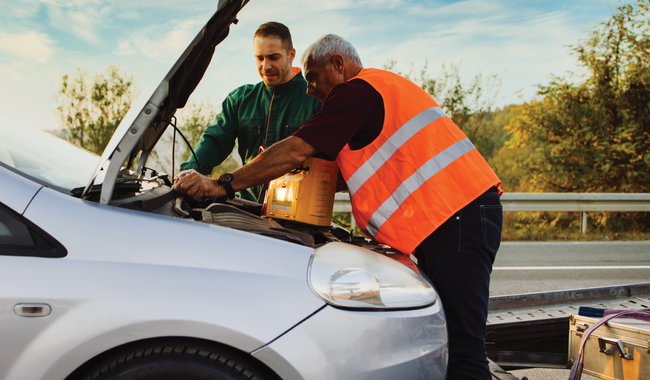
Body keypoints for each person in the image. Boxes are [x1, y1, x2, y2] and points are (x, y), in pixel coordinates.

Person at [176, 34, 503, 380]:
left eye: (313, 78)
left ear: (338, 65)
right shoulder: (373, 95)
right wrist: (279, 171)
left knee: (465, 351)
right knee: (449, 342)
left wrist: (221, 184)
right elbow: (335, 172)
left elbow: (297, 149)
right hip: (452, 220)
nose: (309, 90)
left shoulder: (356, 91)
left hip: (459, 217)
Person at [177, 21, 321, 202]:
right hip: (245, 207)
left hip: (297, 215)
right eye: (260, 58)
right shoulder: (240, 99)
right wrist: (189, 173)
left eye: (273, 57)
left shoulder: (315, 99)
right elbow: (213, 141)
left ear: (291, 55)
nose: (265, 66)